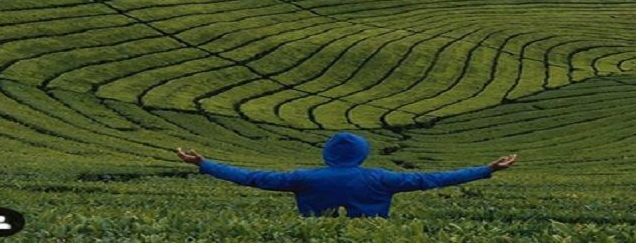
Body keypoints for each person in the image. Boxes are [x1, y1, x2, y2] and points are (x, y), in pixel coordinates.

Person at [176, 132, 517, 218]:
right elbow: (435, 179)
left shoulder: (304, 177)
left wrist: (204, 164)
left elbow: (250, 177)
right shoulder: (382, 178)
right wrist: (486, 169)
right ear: (362, 154)